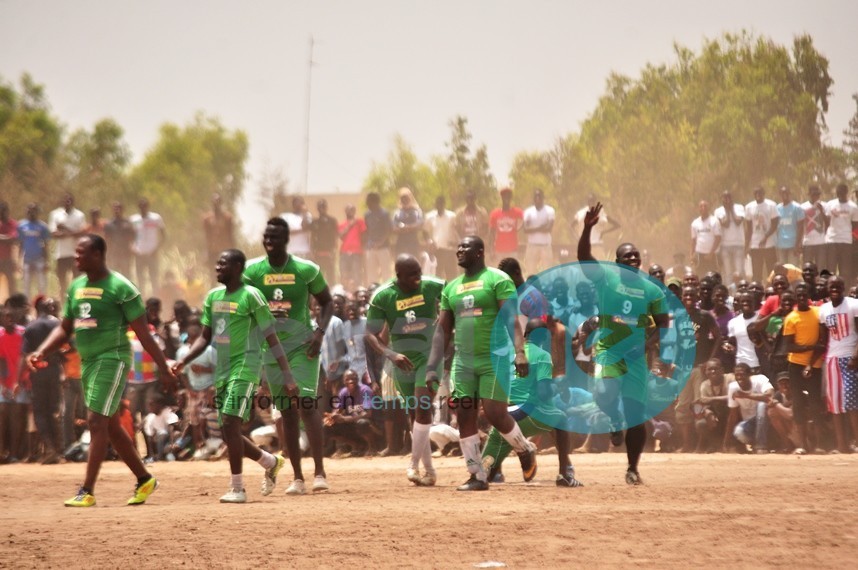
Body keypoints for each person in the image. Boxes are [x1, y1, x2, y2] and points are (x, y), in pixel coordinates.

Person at [26, 234, 176, 507]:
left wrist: (164, 366)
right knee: (111, 424)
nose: (76, 258)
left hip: (113, 359)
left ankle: (87, 490)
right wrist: (41, 351)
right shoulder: (76, 287)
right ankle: (144, 479)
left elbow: (143, 333)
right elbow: (65, 328)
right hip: (88, 362)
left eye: (81, 253)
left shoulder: (121, 288)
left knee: (95, 421)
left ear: (97, 255)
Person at [172, 248, 296, 503]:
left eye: (223, 264)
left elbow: (271, 337)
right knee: (228, 429)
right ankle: (269, 461)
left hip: (247, 365)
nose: (217, 268)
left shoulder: (252, 296)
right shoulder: (213, 297)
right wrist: (184, 360)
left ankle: (237, 488)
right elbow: (205, 337)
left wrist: (287, 374)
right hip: (223, 368)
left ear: (238, 267)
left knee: (229, 422)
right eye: (216, 264)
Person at [425, 236, 537, 491]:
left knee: (495, 413)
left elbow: (511, 319)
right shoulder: (451, 288)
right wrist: (432, 366)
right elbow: (442, 330)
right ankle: (477, 474)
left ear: (480, 252)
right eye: (458, 246)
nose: (460, 250)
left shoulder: (497, 279)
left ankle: (524, 449)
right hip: (463, 362)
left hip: (494, 359)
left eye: (466, 247)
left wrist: (520, 352)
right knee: (465, 414)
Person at [577, 203, 669, 485]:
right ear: (617, 261)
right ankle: (613, 419)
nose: (632, 259)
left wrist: (647, 345)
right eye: (626, 256)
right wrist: (587, 228)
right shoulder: (606, 278)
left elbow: (663, 324)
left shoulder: (652, 289)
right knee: (603, 393)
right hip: (608, 349)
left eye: (636, 256)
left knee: (636, 415)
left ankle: (632, 468)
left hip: (635, 357)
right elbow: (583, 258)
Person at [243, 217, 335, 496]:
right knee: (286, 413)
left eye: (275, 237)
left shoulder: (306, 269)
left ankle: (319, 472)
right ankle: (297, 477)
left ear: (286, 240)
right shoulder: (251, 271)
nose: (269, 242)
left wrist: (319, 332)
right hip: (270, 350)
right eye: (266, 237)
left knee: (307, 405)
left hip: (303, 347)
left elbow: (328, 302)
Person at [365, 254, 445, 486]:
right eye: (412, 275)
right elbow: (370, 333)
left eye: (419, 273)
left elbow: (454, 295)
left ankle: (412, 464)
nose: (418, 279)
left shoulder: (432, 285)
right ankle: (429, 470)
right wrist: (391, 354)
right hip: (402, 361)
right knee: (415, 416)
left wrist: (444, 321)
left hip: (430, 358)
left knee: (422, 406)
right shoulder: (383, 296)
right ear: (398, 275)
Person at [482, 317, 584, 487]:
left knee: (485, 473)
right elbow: (544, 394)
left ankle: (497, 471)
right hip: (525, 413)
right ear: (545, 338)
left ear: (524, 334)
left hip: (501, 416)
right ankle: (565, 473)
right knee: (560, 419)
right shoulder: (542, 355)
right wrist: (558, 388)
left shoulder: (508, 354)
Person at [817, 276, 858, 453]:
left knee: (851, 403)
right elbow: (823, 338)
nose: (834, 289)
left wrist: (855, 356)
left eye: (838, 286)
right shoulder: (823, 310)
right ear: (827, 288)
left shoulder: (853, 305)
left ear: (843, 287)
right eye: (831, 286)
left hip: (850, 357)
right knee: (835, 404)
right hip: (832, 360)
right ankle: (842, 445)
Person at [783, 282, 825, 454]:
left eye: (803, 295)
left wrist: (810, 361)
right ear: (795, 297)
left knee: (816, 404)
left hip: (814, 364)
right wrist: (810, 348)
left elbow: (821, 344)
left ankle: (820, 444)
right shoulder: (791, 318)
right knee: (798, 404)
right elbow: (789, 347)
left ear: (808, 296)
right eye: (798, 295)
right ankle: (802, 445)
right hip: (795, 365)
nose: (801, 298)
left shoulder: (818, 313)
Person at [20, 297, 63, 463]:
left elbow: (25, 355)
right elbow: (66, 350)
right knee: (54, 410)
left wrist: (21, 378)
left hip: (38, 372)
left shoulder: (31, 327)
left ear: (36, 309)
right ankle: (58, 451)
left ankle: (50, 449)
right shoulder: (58, 325)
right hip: (54, 372)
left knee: (40, 412)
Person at [722, 362, 773, 453]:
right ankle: (755, 444)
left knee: (761, 405)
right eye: (737, 375)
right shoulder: (733, 387)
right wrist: (726, 440)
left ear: (749, 374)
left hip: (767, 421)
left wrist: (746, 395)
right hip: (750, 423)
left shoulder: (760, 379)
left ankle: (761, 446)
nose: (739, 378)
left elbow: (770, 396)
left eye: (742, 374)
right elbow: (733, 415)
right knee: (738, 432)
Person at [48, 193, 86, 296]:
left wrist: (64, 229)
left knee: (77, 279)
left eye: (69, 200)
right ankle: (63, 302)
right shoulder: (55, 214)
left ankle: (76, 299)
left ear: (73, 202)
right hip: (60, 254)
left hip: (75, 253)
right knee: (61, 281)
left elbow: (82, 233)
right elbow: (53, 234)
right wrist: (72, 233)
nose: (67, 202)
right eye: (65, 200)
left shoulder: (79, 215)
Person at [130, 198, 166, 296]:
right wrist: (132, 248)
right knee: (140, 278)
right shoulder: (134, 219)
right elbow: (129, 236)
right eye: (141, 206)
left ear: (148, 206)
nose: (143, 208)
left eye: (145, 206)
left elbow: (163, 235)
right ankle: (142, 298)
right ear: (138, 207)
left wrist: (156, 249)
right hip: (139, 253)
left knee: (154, 277)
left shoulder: (156, 218)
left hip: (152, 253)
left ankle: (156, 298)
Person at [823, 183, 858, 283]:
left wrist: (853, 237)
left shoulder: (853, 207)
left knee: (845, 270)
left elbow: (855, 225)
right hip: (832, 240)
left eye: (842, 193)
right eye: (838, 193)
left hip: (846, 241)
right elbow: (827, 222)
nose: (840, 195)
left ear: (846, 193)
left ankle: (845, 292)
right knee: (830, 269)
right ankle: (830, 291)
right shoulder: (830, 204)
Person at [745, 187, 779, 282]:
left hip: (769, 244)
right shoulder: (749, 207)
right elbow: (749, 228)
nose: (758, 196)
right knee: (756, 272)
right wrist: (747, 244)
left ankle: (772, 289)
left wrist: (766, 237)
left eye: (760, 193)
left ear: (764, 194)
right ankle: (757, 289)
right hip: (755, 245)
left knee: (771, 270)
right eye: (756, 194)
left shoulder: (771, 205)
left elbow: (775, 224)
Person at [573, 194, 620, 260]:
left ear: (595, 202)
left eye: (592, 201)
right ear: (587, 202)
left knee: (599, 268)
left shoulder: (601, 213)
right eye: (590, 201)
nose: (591, 203)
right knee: (585, 268)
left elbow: (617, 225)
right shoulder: (581, 213)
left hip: (597, 245)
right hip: (585, 248)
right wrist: (577, 238)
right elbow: (571, 227)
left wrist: (604, 232)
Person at [714, 191, 746, 285]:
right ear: (722, 199)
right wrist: (727, 211)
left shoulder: (739, 207)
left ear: (732, 198)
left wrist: (731, 209)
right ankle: (729, 290)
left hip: (738, 244)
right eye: (724, 198)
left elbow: (738, 221)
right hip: (725, 245)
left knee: (739, 272)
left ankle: (741, 289)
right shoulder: (718, 211)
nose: (727, 200)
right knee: (728, 272)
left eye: (728, 198)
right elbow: (726, 224)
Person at [423, 196, 459, 280]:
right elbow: (425, 231)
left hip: (449, 249)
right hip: (436, 250)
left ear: (444, 204)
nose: (439, 205)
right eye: (438, 203)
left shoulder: (452, 216)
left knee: (451, 275)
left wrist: (455, 242)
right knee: (437, 274)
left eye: (441, 203)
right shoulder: (430, 216)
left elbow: (457, 230)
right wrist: (429, 241)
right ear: (435, 204)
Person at [523, 189, 556, 272]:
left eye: (539, 197)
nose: (537, 199)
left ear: (543, 198)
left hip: (545, 245)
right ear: (533, 198)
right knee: (530, 271)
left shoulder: (550, 210)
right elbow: (525, 230)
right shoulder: (528, 211)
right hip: (532, 245)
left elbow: (549, 229)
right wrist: (540, 227)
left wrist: (533, 229)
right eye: (536, 197)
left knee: (547, 272)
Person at [488, 187, 523, 264]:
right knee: (500, 272)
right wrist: (491, 250)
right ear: (502, 197)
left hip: (512, 249)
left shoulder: (517, 212)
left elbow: (525, 221)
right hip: (499, 249)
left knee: (512, 273)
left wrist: (518, 228)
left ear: (511, 198)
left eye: (508, 196)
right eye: (504, 196)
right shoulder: (495, 213)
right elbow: (491, 233)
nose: (506, 198)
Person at [364, 192, 392, 285]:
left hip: (383, 247)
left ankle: (387, 290)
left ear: (375, 202)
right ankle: (373, 291)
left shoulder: (384, 213)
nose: (367, 204)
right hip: (370, 247)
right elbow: (367, 230)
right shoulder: (367, 214)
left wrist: (381, 242)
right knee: (371, 272)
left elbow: (388, 230)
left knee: (386, 272)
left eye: (369, 202)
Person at [202, 193, 235, 271]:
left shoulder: (227, 218)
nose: (216, 204)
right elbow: (207, 236)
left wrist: (233, 251)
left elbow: (230, 235)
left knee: (226, 270)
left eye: (218, 201)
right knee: (213, 271)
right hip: (212, 250)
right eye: (214, 202)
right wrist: (206, 250)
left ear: (221, 203)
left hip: (225, 249)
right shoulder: (207, 218)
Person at [338, 204, 366, 291]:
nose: (350, 212)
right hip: (344, 252)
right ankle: (345, 293)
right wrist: (349, 225)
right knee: (344, 274)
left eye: (352, 210)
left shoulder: (360, 222)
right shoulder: (342, 224)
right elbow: (341, 236)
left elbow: (364, 236)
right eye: (349, 210)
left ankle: (357, 293)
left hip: (357, 252)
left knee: (356, 274)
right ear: (345, 211)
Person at [104, 202, 136, 278]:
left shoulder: (128, 223)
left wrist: (131, 248)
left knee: (126, 275)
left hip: (125, 254)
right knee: (114, 275)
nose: (117, 210)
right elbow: (107, 239)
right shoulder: (109, 224)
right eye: (115, 209)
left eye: (119, 208)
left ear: (122, 210)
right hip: (114, 254)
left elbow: (133, 237)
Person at [775, 186, 805, 265]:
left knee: (792, 269)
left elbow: (800, 227)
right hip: (781, 243)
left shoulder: (797, 207)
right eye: (782, 193)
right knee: (782, 269)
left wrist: (797, 244)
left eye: (786, 193)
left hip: (793, 243)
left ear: (789, 194)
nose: (784, 195)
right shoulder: (777, 208)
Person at [690, 200, 721, 275]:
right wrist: (691, 255)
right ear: (698, 209)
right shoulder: (695, 223)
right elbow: (693, 240)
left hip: (712, 255)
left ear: (708, 208)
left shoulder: (714, 221)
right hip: (700, 255)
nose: (703, 208)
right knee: (700, 274)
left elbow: (718, 238)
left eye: (705, 206)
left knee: (713, 275)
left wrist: (711, 253)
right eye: (701, 206)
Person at [310, 198, 338, 281]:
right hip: (318, 252)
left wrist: (334, 250)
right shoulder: (315, 222)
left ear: (326, 208)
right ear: (317, 209)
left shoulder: (332, 221)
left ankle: (331, 291)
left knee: (331, 275)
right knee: (318, 275)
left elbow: (335, 236)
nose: (321, 209)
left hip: (329, 252)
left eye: (323, 207)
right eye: (320, 207)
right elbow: (312, 237)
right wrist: (312, 251)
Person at [392, 187, 423, 258]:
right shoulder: (397, 212)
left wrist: (405, 227)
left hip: (413, 242)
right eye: (402, 198)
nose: (404, 200)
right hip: (400, 243)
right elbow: (393, 227)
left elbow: (419, 224)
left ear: (410, 198)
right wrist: (409, 228)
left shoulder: (417, 211)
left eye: (406, 198)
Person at [801, 185, 826, 268]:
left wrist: (822, 211)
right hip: (808, 242)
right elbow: (800, 225)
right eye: (813, 195)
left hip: (821, 242)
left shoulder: (824, 205)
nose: (816, 197)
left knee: (821, 267)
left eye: (817, 195)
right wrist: (800, 242)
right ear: (809, 195)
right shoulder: (803, 207)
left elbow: (827, 223)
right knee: (807, 267)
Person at [0, 201, 18, 296]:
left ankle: (13, 304)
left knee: (11, 283)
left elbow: (13, 238)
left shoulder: (13, 224)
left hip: (8, 259)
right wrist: (5, 238)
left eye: (3, 211)